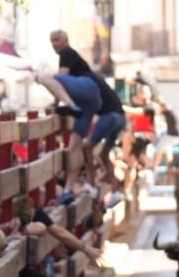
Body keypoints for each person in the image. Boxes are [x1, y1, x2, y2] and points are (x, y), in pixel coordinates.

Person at [50, 30, 126, 186]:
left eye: (57, 40)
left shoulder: (67, 54)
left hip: (109, 114)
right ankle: (115, 189)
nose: (54, 44)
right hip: (119, 116)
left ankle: (91, 183)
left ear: (66, 40)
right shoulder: (87, 72)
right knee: (104, 154)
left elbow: (59, 79)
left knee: (86, 147)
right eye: (52, 40)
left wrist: (55, 105)